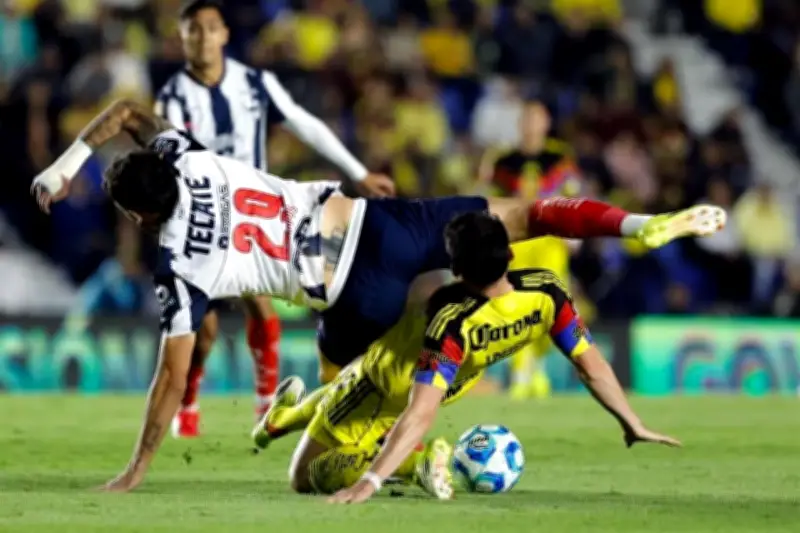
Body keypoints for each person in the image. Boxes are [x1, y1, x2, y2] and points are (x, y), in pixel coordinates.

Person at [30, 98, 722, 492]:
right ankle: (637, 223)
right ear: (162, 161)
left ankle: (417, 460)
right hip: (378, 224)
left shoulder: (179, 263)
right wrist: (63, 169)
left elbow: (172, 376)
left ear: (140, 217)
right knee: (528, 212)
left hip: (352, 297)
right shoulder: (185, 153)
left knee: (336, 432)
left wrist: (137, 467)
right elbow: (126, 110)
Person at [249, 212, 681, 502]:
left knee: (302, 477)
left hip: (379, 386)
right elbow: (591, 364)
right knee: (333, 392)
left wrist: (371, 481)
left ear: (456, 270)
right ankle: (278, 418)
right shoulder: (547, 290)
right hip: (438, 381)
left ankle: (418, 465)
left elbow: (418, 413)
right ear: (511, 253)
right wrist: (631, 421)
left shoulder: (449, 314)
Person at [155, 0, 394, 437]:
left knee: (260, 301)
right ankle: (187, 401)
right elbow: (172, 156)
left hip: (253, 211)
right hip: (202, 216)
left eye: (210, 29)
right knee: (202, 328)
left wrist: (358, 172)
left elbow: (304, 122)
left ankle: (266, 398)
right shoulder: (172, 96)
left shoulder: (255, 83)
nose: (203, 38)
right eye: (194, 30)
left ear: (224, 34)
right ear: (183, 38)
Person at [478, 100, 582, 400]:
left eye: (537, 119)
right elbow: (488, 197)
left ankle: (534, 365)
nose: (531, 124)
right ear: (519, 123)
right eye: (526, 119)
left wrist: (574, 232)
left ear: (546, 123)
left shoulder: (559, 157)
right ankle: (524, 373)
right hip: (517, 240)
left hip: (550, 239)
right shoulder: (503, 159)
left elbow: (572, 192)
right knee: (517, 304)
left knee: (551, 305)